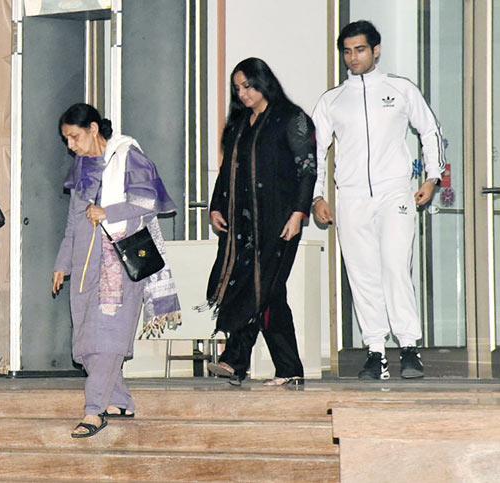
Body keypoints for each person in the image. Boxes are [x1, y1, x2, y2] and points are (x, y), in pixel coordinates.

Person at [312, 20, 445, 380]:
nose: (353, 57)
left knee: (394, 265)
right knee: (362, 273)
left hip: (395, 192)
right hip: (351, 197)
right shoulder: (332, 100)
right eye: (347, 51)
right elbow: (314, 152)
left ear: (376, 50)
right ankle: (375, 351)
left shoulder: (400, 89)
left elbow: (429, 130)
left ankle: (409, 347)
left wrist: (433, 178)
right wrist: (317, 196)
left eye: (360, 50)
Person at [53, 103, 180, 438]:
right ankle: (120, 400)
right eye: (67, 139)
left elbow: (146, 204)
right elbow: (72, 224)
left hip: (118, 264)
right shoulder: (82, 167)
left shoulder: (129, 155)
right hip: (84, 265)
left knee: (106, 340)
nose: (71, 146)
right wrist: (62, 264)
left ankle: (94, 411)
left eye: (75, 137)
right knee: (87, 339)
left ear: (94, 129)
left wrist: (106, 211)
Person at [205, 58, 317, 386]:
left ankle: (235, 359)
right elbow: (228, 171)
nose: (243, 94)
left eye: (249, 86)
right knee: (266, 292)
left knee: (262, 288)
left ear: (263, 82)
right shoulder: (240, 124)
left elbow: (307, 170)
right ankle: (287, 369)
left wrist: (298, 213)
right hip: (243, 226)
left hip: (280, 222)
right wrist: (216, 206)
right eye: (238, 88)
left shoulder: (291, 119)